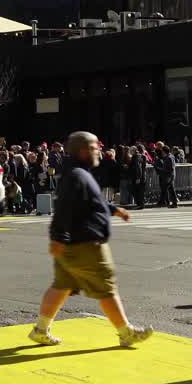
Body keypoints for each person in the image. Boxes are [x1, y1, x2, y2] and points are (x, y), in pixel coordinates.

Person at [29, 131, 153, 347]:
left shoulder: (78, 173)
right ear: (84, 151)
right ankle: (126, 333)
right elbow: (64, 207)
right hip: (85, 243)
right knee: (106, 286)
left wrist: (115, 210)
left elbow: (90, 203)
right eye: (96, 147)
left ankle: (41, 329)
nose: (99, 151)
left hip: (71, 244)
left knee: (62, 285)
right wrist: (57, 237)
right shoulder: (77, 175)